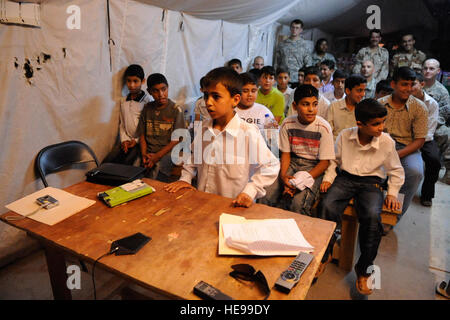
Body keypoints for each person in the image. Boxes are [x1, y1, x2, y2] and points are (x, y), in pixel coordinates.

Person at [319, 99, 404, 295]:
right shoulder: (344, 136)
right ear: (359, 124)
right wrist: (329, 178)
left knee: (373, 217)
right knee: (327, 205)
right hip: (345, 178)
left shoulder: (386, 141)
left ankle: (364, 269)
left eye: (383, 122)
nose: (381, 128)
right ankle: (324, 254)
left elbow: (396, 170)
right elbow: (333, 161)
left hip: (371, 183)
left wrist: (392, 192)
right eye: (376, 124)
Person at [164, 67, 280, 207]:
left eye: (216, 96)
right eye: (206, 96)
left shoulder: (248, 132)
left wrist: (251, 190)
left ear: (235, 100)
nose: (208, 102)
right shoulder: (204, 128)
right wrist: (186, 178)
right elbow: (194, 158)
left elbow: (271, 165)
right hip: (203, 202)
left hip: (233, 206)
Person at [258, 85, 334, 216]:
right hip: (291, 162)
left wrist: (299, 181)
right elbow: (286, 155)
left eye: (315, 104)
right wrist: (283, 176)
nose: (311, 109)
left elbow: (324, 163)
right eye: (305, 104)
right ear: (294, 106)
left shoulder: (323, 127)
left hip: (313, 167)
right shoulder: (287, 124)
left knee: (298, 204)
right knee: (265, 196)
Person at [378, 67, 428, 220]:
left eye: (411, 84)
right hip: (380, 145)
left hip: (407, 149)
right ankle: (371, 211)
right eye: (404, 84)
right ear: (393, 84)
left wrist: (397, 155)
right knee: (372, 171)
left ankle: (392, 217)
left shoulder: (419, 108)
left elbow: (420, 140)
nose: (409, 89)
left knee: (415, 172)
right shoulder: (380, 104)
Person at [137, 73, 186, 182]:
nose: (161, 94)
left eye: (164, 89)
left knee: (157, 171)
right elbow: (142, 135)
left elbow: (176, 141)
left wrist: (157, 156)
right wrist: (144, 154)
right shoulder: (147, 108)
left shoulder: (176, 110)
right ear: (149, 92)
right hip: (149, 151)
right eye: (156, 91)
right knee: (135, 169)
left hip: (167, 152)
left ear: (168, 87)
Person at [103, 64, 151, 165]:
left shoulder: (147, 102)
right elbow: (122, 124)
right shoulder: (124, 101)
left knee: (128, 163)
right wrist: (124, 140)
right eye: (129, 81)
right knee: (108, 161)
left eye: (135, 81)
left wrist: (136, 141)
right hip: (127, 141)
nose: (132, 85)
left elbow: (148, 127)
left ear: (143, 81)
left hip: (141, 143)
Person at [411, 72, 441, 206]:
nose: (410, 87)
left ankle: (427, 195)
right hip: (407, 136)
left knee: (434, 160)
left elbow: (431, 128)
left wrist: (419, 142)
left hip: (425, 138)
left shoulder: (432, 103)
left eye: (413, 84)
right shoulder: (406, 100)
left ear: (422, 84)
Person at [423, 58, 450, 184]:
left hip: (434, 125)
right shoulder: (415, 85)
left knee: (448, 135)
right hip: (412, 123)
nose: (427, 71)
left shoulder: (442, 91)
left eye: (431, 68)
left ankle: (448, 173)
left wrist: (430, 125)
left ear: (438, 71)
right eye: (425, 68)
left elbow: (443, 114)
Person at [327, 74, 367, 140]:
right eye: (359, 90)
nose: (363, 94)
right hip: (336, 146)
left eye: (364, 90)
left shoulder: (364, 109)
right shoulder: (333, 107)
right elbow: (328, 133)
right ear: (348, 91)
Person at [275, 19, 312, 87]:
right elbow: (277, 63)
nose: (294, 29)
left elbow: (308, 65)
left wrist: (305, 80)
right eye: (293, 27)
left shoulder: (305, 45)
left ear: (301, 30)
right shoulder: (282, 44)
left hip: (298, 80)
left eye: (297, 28)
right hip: (284, 79)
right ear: (290, 28)